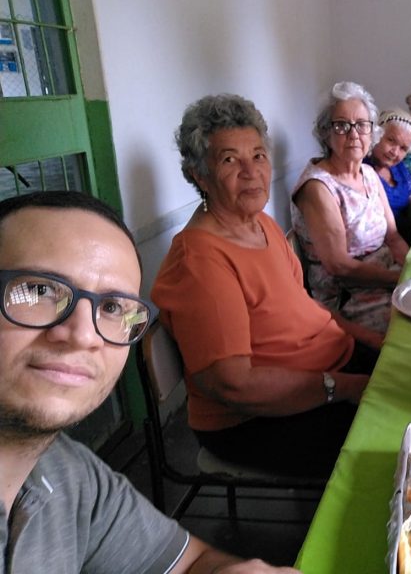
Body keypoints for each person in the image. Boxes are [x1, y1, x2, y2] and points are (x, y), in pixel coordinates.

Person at [0, 191, 297, 573]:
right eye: (40, 290)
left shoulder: (68, 473)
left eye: (111, 308)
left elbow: (188, 562)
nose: (83, 335)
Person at [152, 94, 378, 478]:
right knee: (392, 444)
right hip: (254, 422)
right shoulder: (201, 262)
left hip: (329, 372)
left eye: (257, 155)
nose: (251, 172)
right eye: (229, 160)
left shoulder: (261, 224)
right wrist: (345, 387)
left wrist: (375, 341)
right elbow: (235, 386)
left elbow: (309, 308)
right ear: (198, 175)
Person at [291, 82, 408, 334]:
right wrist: (399, 280)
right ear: (326, 133)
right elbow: (340, 267)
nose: (354, 134)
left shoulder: (368, 173)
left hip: (388, 280)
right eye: (342, 125)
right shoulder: (317, 187)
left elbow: (393, 237)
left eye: (362, 125)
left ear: (372, 132)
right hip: (350, 299)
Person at [365, 108, 411, 244]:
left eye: (403, 148)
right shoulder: (363, 170)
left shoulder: (398, 168)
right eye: (391, 140)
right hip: (383, 247)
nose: (395, 152)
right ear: (376, 134)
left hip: (408, 239)